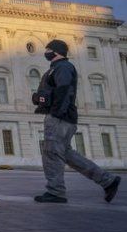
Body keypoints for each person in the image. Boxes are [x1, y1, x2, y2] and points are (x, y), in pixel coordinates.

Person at [34, 40, 121, 204]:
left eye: (48, 49)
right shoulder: (56, 68)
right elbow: (54, 91)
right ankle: (107, 180)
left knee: (51, 153)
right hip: (62, 115)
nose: (46, 51)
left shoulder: (63, 67)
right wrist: (38, 98)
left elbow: (64, 89)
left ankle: (56, 192)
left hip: (60, 117)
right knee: (67, 154)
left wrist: (57, 112)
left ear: (57, 51)